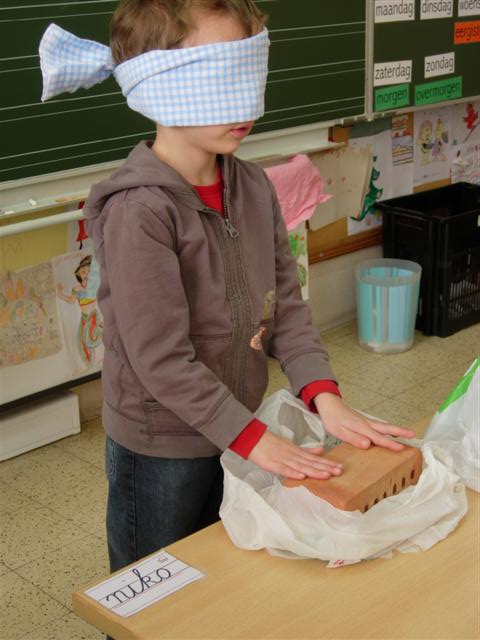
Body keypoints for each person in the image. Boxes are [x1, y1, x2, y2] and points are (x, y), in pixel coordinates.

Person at [39, 0, 415, 574]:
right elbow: (162, 360)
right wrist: (253, 438)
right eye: (221, 77)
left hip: (235, 426)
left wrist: (325, 398)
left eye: (249, 74)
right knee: (156, 589)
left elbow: (286, 307)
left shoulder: (253, 186)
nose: (244, 102)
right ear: (159, 85)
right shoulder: (140, 211)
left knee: (222, 576)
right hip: (161, 446)